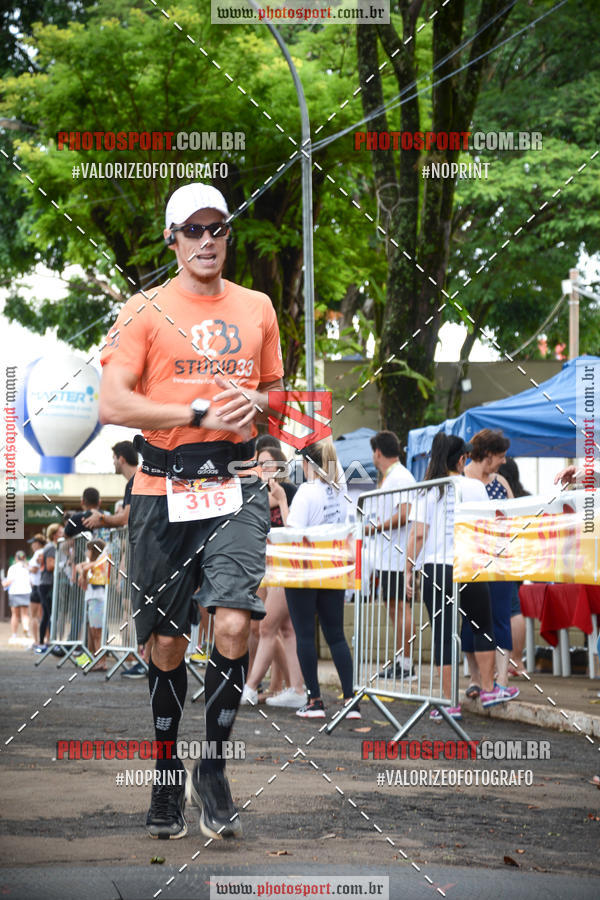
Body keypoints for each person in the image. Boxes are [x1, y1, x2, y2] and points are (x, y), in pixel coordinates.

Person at [99, 182, 284, 841]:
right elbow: (112, 404)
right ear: (172, 239)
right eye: (194, 230)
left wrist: (260, 411)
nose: (208, 240)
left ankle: (213, 767)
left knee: (233, 622)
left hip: (236, 482)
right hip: (161, 487)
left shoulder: (258, 307)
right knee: (168, 642)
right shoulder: (143, 310)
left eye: (218, 228)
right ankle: (165, 770)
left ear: (228, 235)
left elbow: (277, 395)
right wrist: (196, 412)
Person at [406, 433, 518, 719]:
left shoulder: (427, 489)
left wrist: (408, 568)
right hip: (469, 566)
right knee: (483, 627)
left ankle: (448, 703)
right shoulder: (475, 487)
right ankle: (489, 688)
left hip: (436, 568)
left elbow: (418, 534)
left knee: (443, 635)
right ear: (460, 460)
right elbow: (485, 528)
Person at [284, 439, 359, 719]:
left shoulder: (306, 491)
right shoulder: (340, 488)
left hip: (305, 567)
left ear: (308, 464)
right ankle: (350, 701)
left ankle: (315, 700)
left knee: (304, 633)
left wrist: (282, 503)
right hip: (333, 566)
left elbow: (293, 531)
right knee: (336, 634)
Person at [241, 443, 306, 708]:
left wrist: (279, 499)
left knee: (269, 625)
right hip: (261, 565)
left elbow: (292, 528)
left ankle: (256, 686)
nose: (262, 468)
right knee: (271, 627)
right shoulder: (255, 492)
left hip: (284, 565)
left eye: (267, 463)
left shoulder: (288, 491)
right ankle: (293, 688)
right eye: (259, 463)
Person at [84, 440, 146, 679]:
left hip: (145, 553)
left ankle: (143, 659)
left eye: (113, 458)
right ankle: (141, 658)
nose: (112, 463)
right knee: (133, 608)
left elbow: (125, 519)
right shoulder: (138, 480)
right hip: (139, 553)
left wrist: (101, 519)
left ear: (121, 458)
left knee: (137, 609)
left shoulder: (137, 480)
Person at [464, 429, 515, 690]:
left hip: (500, 559)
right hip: (470, 561)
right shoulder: (461, 479)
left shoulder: (500, 482)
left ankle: (502, 679)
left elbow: (514, 516)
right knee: (469, 620)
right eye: (501, 456)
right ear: (487, 455)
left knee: (501, 617)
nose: (504, 461)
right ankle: (475, 679)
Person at [363, 430, 416, 681]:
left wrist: (374, 527)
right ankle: (401, 661)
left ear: (377, 452)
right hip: (388, 555)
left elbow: (404, 514)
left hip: (397, 555)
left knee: (400, 607)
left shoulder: (401, 477)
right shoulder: (392, 477)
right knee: (394, 607)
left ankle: (406, 664)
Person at [498, 457, 530, 677]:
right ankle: (517, 660)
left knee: (509, 608)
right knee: (514, 608)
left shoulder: (500, 495)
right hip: (521, 558)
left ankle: (513, 662)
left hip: (503, 558)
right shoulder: (527, 498)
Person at [75, 539, 109, 671]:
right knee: (94, 633)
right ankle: (98, 660)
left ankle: (102, 661)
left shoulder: (100, 563)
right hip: (93, 600)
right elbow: (79, 566)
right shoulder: (93, 563)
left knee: (98, 633)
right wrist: (82, 574)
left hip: (98, 600)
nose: (86, 552)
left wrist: (83, 575)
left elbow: (84, 568)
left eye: (88, 550)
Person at [35, 523, 64, 652]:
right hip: (47, 585)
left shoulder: (51, 546)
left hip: (45, 585)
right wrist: (63, 564)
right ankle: (49, 642)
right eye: (60, 532)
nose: (63, 533)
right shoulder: (51, 547)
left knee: (47, 615)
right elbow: (50, 566)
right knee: (51, 615)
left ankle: (43, 642)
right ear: (54, 535)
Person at [2, 550, 32, 644]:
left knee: (15, 614)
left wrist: (4, 583)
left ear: (16, 558)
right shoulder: (28, 568)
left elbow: (8, 581)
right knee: (25, 614)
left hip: (14, 592)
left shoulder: (12, 568)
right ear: (24, 558)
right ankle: (26, 629)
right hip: (26, 591)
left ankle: (14, 634)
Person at [27, 533, 47, 647]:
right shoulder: (43, 551)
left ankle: (36, 641)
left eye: (33, 543)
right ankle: (45, 640)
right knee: (43, 615)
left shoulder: (38, 553)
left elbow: (34, 569)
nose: (32, 546)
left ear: (38, 543)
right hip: (41, 586)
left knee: (34, 615)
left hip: (37, 587)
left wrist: (27, 567)